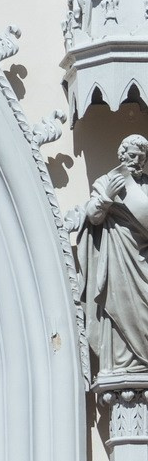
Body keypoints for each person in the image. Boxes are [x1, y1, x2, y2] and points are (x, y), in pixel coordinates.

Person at [76, 134, 148, 376]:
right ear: (121, 154)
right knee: (119, 302)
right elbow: (93, 216)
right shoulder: (106, 181)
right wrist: (107, 197)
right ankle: (120, 363)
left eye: (141, 157)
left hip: (144, 258)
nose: (137, 161)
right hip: (118, 258)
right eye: (132, 155)